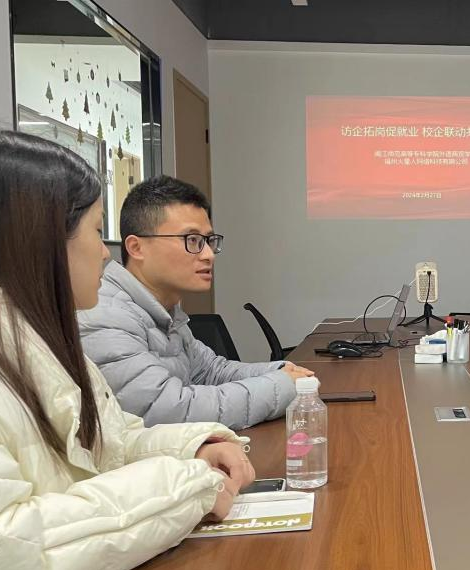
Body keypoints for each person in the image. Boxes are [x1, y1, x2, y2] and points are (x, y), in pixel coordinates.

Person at [0, 129, 256, 570]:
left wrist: (193, 449)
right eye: (96, 230)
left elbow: (108, 444)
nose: (105, 252)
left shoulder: (36, 340)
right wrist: (188, 484)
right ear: (41, 240)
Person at [79, 176, 311, 429]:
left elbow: (211, 372)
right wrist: (282, 385)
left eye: (209, 241)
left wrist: (282, 371)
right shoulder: (105, 315)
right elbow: (166, 410)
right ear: (137, 247)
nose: (208, 254)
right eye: (192, 240)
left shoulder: (164, 312)